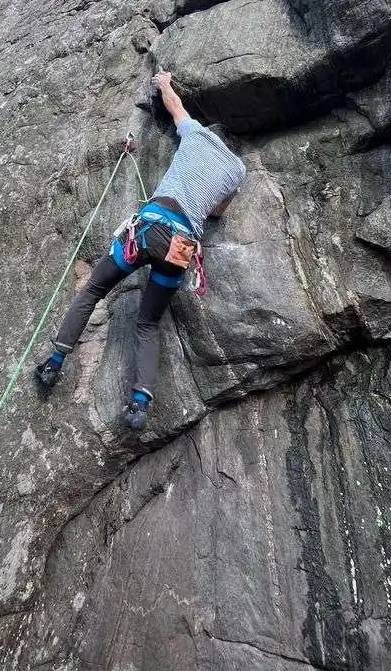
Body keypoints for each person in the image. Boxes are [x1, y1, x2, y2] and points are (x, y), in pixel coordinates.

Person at [36, 72, 247, 431]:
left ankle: (55, 361)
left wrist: (164, 82)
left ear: (212, 133)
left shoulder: (196, 135)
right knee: (148, 322)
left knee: (94, 290)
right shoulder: (237, 169)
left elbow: (176, 106)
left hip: (149, 229)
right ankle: (139, 403)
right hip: (181, 247)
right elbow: (218, 211)